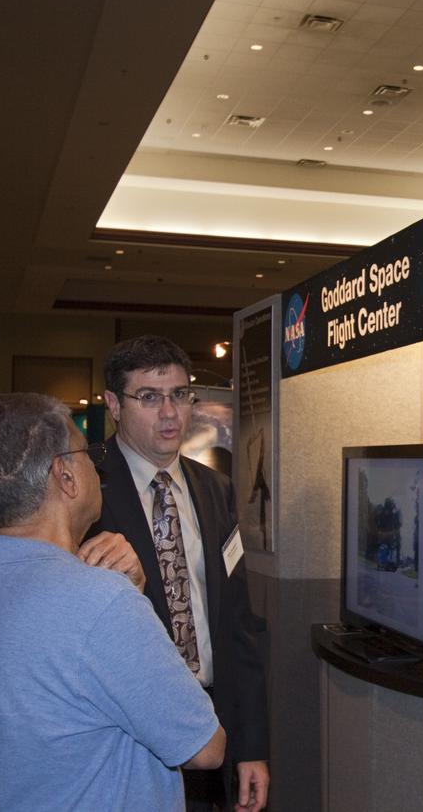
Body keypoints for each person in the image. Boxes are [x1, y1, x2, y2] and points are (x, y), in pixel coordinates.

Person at [0, 393, 225, 811]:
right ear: (66, 477)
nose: (97, 465)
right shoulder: (102, 602)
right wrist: (128, 603)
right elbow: (205, 746)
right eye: (88, 453)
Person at [89, 335, 269, 812]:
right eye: (149, 397)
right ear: (114, 404)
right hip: (127, 733)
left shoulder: (215, 489)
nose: (170, 413)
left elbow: (238, 623)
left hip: (213, 721)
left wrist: (251, 746)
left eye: (180, 394)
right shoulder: (83, 488)